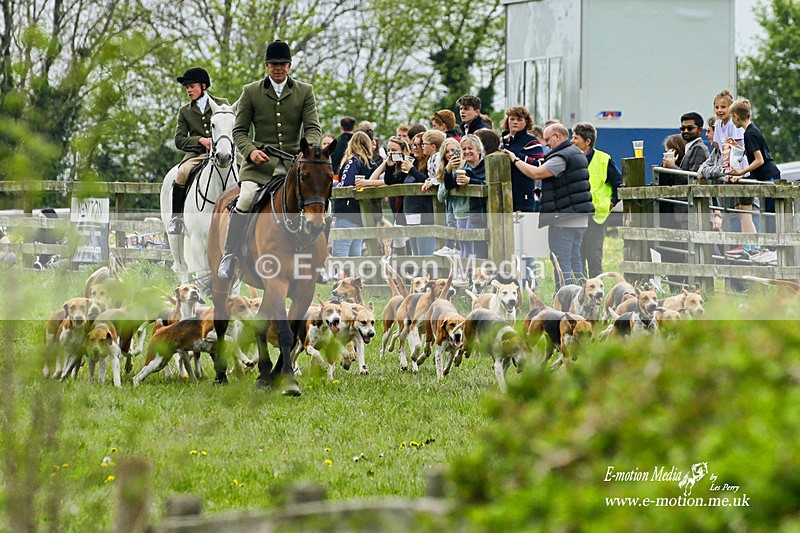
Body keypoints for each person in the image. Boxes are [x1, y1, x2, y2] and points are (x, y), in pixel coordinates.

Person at [219, 40, 321, 280]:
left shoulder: (304, 91)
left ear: (289, 65)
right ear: (266, 65)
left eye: (283, 64)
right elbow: (239, 131)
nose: (279, 68)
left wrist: (308, 150)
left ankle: (319, 257)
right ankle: (230, 255)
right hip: (259, 166)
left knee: (317, 199)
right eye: (274, 64)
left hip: (294, 165)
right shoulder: (251, 91)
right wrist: (251, 151)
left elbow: (313, 127)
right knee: (244, 198)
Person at [501, 124, 593, 289]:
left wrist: (515, 159)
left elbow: (536, 173)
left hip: (564, 218)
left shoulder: (561, 157)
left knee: (561, 260)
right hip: (580, 217)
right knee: (575, 259)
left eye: (548, 139)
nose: (546, 144)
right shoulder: (577, 153)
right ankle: (581, 297)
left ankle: (565, 297)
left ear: (557, 136)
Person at [169, 67, 229, 235]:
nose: (188, 90)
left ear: (203, 86)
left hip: (223, 151)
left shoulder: (222, 103)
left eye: (192, 86)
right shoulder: (185, 111)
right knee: (182, 172)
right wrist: (200, 140)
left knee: (244, 170)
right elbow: (179, 140)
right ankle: (177, 218)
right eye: (187, 87)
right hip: (198, 155)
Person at [571, 122, 621, 278]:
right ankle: (580, 292)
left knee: (594, 256)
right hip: (576, 214)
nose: (572, 141)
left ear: (587, 141)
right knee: (577, 256)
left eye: (576, 138)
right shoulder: (569, 158)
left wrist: (612, 202)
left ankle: (596, 293)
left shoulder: (604, 159)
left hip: (597, 216)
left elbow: (619, 184)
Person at [729, 98, 781, 240]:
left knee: (771, 215)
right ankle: (770, 247)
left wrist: (741, 172)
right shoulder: (752, 130)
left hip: (768, 175)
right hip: (766, 175)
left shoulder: (749, 133)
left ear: (736, 116)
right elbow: (754, 154)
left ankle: (772, 249)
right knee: (768, 213)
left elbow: (759, 159)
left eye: (731, 117)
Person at [385, 132, 435, 256]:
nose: (416, 148)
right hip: (411, 214)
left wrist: (412, 169)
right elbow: (391, 181)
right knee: (415, 255)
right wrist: (390, 165)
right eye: (413, 145)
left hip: (426, 215)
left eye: (419, 145)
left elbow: (428, 181)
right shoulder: (412, 163)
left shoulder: (430, 163)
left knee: (425, 256)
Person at [331, 132, 377, 257]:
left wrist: (333, 186)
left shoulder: (353, 161)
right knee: (355, 254)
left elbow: (346, 184)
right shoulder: (372, 165)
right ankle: (356, 277)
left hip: (347, 212)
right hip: (362, 214)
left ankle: (344, 277)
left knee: (339, 254)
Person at [445, 134, 487, 259]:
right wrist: (448, 169)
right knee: (463, 244)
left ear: (479, 150)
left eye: (470, 148)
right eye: (464, 149)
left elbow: (488, 186)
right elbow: (449, 186)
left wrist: (470, 181)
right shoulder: (463, 168)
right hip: (465, 212)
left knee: (475, 246)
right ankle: (466, 274)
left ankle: (477, 275)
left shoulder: (486, 166)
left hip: (482, 214)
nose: (467, 151)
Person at [500, 105, 545, 213]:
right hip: (503, 196)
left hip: (523, 197)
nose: (515, 122)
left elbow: (539, 164)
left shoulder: (531, 141)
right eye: (512, 119)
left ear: (526, 122)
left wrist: (516, 156)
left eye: (519, 119)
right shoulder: (503, 140)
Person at [432, 138, 462, 257]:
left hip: (461, 209)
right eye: (447, 152)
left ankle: (454, 246)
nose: (450, 154)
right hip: (450, 209)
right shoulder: (443, 170)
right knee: (450, 221)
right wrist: (447, 171)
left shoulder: (464, 167)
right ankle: (450, 246)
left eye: (453, 151)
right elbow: (441, 195)